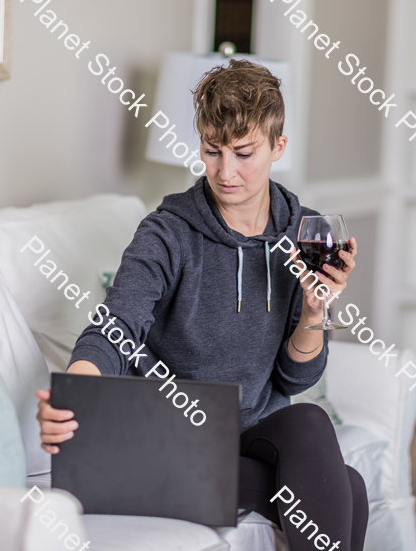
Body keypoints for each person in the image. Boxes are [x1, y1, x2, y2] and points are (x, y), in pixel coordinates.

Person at [36, 59, 368, 551]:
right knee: (350, 490)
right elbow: (115, 325)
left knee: (309, 422)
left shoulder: (305, 232)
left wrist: (315, 312)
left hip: (249, 438)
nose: (225, 171)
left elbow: (296, 380)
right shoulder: (167, 233)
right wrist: (76, 390)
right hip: (169, 440)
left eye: (243, 152)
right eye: (212, 151)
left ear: (278, 147)